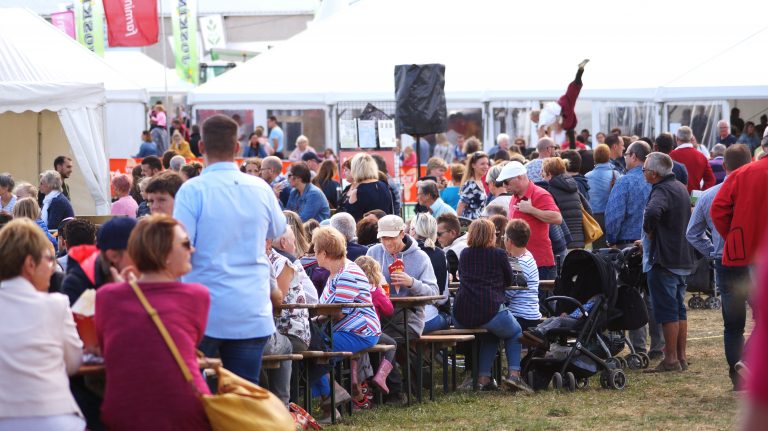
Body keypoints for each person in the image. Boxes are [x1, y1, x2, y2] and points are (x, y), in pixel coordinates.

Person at [174, 114, 286, 385]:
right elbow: (278, 230)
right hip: (250, 307)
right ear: (238, 147)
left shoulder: (192, 190)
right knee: (243, 396)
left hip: (204, 308)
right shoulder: (260, 188)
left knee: (192, 391)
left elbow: (179, 244)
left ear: (200, 147)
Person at [95, 215, 211, 430]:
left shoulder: (106, 296)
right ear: (164, 253)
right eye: (185, 244)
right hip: (184, 410)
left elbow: (109, 348)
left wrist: (127, 290)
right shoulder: (197, 296)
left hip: (124, 412)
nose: (192, 250)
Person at [0, 219, 84, 431]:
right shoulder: (55, 305)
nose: (52, 266)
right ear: (30, 264)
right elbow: (74, 362)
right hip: (55, 417)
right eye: (49, 259)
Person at [686, 144, 752, 389]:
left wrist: (713, 252)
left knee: (733, 324)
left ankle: (738, 379)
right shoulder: (756, 192)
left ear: (724, 166)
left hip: (725, 261)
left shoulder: (709, 195)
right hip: (753, 261)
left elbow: (692, 234)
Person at [311, 227, 381, 422]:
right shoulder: (337, 272)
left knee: (314, 352)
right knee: (311, 349)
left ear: (324, 253)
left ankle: (331, 401)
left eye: (315, 249)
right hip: (345, 330)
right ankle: (332, 397)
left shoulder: (348, 273)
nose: (313, 253)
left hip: (361, 331)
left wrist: (313, 320)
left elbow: (337, 312)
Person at [366, 215, 438, 401]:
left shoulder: (420, 257)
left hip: (409, 318)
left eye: (391, 237)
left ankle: (397, 391)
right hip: (379, 318)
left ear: (402, 233)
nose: (386, 242)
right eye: (383, 238)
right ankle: (389, 391)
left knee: (394, 341)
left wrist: (412, 282)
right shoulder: (373, 253)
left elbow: (435, 293)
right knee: (369, 337)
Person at [453, 219, 530, 392]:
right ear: (491, 236)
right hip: (488, 309)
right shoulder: (498, 254)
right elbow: (509, 279)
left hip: (462, 313)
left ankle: (483, 378)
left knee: (491, 335)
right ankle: (514, 376)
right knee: (515, 331)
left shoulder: (465, 253)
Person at [642, 152, 696, 373]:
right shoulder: (680, 188)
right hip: (682, 256)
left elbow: (653, 212)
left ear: (654, 173)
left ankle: (671, 359)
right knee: (678, 309)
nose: (643, 173)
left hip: (665, 259)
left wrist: (649, 232)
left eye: (644, 169)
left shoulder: (662, 190)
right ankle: (680, 357)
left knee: (667, 311)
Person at [497, 161, 563, 281]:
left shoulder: (540, 194)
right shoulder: (514, 197)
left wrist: (532, 210)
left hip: (539, 263)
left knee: (539, 298)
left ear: (520, 177)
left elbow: (557, 218)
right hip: (517, 261)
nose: (505, 186)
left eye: (506, 182)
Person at [353, 256, 396, 395]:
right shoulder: (375, 291)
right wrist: (383, 293)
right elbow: (389, 311)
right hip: (370, 331)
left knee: (356, 351)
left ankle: (355, 378)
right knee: (392, 344)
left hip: (352, 329)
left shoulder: (352, 288)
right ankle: (381, 376)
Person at [409, 212, 450, 334]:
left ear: (414, 231)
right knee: (447, 317)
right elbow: (442, 298)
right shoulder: (440, 254)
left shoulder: (403, 253)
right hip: (428, 318)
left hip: (402, 318)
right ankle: (431, 353)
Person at [536, 59, 589, 149]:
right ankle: (580, 70)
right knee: (574, 90)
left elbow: (542, 130)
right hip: (562, 109)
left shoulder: (546, 117)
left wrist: (541, 142)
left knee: (574, 90)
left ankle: (580, 70)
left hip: (562, 107)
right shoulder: (553, 120)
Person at [503, 219, 542, 331]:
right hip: (526, 314)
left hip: (522, 317)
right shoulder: (526, 256)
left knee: (491, 328)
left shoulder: (521, 263)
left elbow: (508, 293)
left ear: (509, 241)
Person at [540, 157, 588, 249]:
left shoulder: (549, 190)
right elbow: (588, 209)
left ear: (549, 174)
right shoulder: (574, 186)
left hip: (563, 239)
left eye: (543, 172)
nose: (541, 174)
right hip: (580, 239)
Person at [520, 294, 600, 346]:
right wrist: (568, 315)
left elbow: (588, 315)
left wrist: (583, 316)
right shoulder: (588, 303)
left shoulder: (597, 303)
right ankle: (537, 329)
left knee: (559, 320)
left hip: (580, 322)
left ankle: (542, 332)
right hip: (571, 317)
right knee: (552, 318)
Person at [338, 153, 393, 221]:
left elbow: (351, 220)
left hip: (365, 230)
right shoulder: (384, 185)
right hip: (383, 228)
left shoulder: (357, 191)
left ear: (356, 169)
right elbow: (390, 211)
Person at [586, 144, 620, 249]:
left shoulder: (587, 176)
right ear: (608, 156)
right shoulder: (616, 174)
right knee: (612, 249)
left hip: (594, 216)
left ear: (594, 157)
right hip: (611, 215)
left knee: (597, 249)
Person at [670, 126, 715, 193]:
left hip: (676, 197)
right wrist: (701, 194)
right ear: (691, 138)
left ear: (677, 138)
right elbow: (711, 180)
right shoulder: (701, 156)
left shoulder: (672, 155)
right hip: (694, 199)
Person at [457, 151, 490, 219]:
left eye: (487, 164)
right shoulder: (470, 184)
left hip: (479, 224)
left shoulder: (479, 181)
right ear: (473, 165)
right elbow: (460, 206)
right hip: (470, 224)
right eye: (482, 164)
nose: (486, 166)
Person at [436, 212, 468, 282]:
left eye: (439, 234)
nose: (436, 237)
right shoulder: (468, 238)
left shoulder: (453, 252)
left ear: (453, 233)